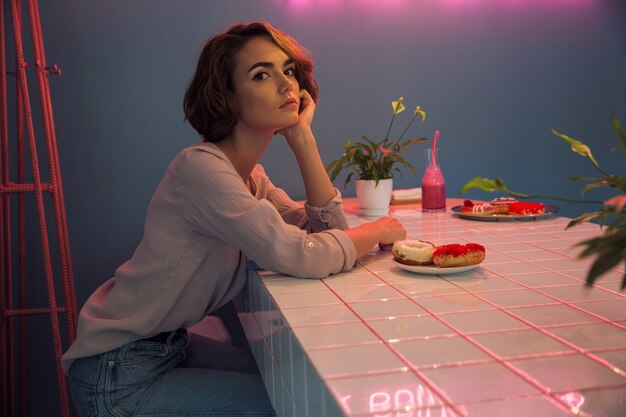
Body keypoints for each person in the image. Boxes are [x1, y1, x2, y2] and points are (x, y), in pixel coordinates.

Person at [62, 21, 406, 417]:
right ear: (226, 96)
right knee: (300, 404)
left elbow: (326, 234)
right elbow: (303, 255)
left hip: (167, 346)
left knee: (296, 386)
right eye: (262, 74)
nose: (286, 84)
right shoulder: (201, 170)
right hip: (118, 375)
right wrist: (378, 229)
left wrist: (303, 141)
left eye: (288, 71)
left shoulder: (250, 178)